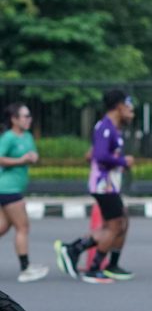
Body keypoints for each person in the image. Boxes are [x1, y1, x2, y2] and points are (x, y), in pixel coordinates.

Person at [55, 89, 136, 283]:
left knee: (121, 222)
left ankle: (91, 257)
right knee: (114, 226)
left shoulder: (112, 128)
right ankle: (91, 267)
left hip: (109, 185)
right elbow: (99, 155)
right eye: (129, 107)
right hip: (103, 186)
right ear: (119, 106)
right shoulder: (105, 127)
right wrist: (123, 161)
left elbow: (91, 154)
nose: (132, 112)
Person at [0, 103, 47, 282]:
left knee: (3, 226)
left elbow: (32, 154)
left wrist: (33, 157)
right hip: (8, 188)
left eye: (29, 116)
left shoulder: (27, 136)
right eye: (25, 116)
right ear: (14, 119)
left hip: (15, 188)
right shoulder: (8, 137)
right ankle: (25, 268)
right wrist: (20, 160)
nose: (29, 119)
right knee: (23, 227)